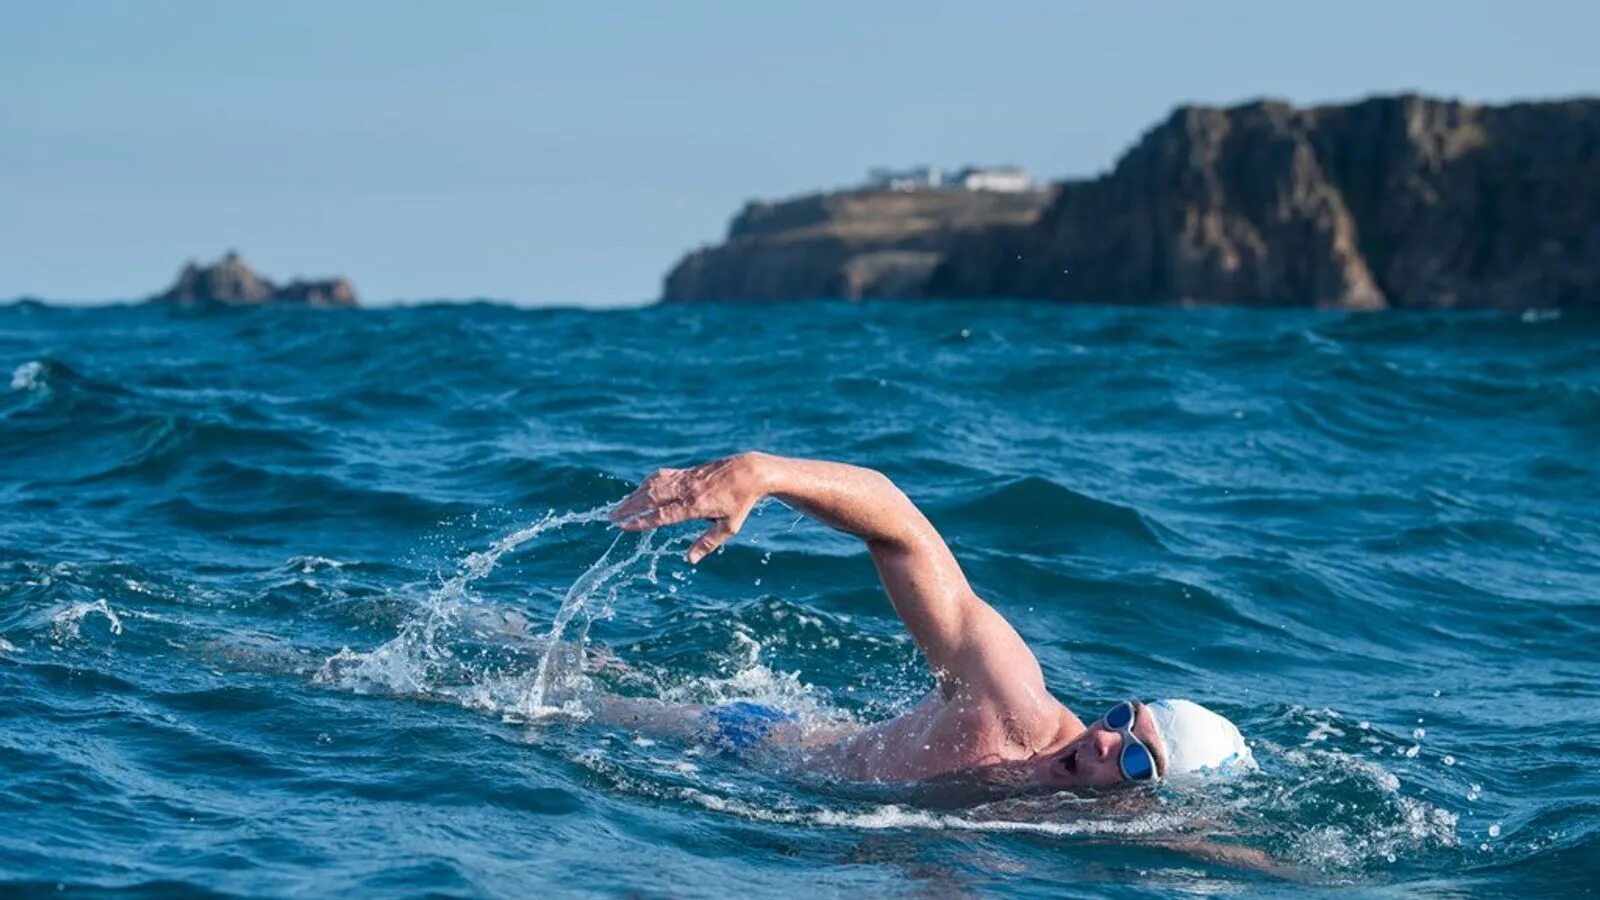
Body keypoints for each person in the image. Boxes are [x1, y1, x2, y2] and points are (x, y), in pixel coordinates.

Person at [604, 451, 1253, 787]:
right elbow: (901, 532)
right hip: (750, 745)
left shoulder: (1075, 830)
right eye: (1121, 718)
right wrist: (763, 473)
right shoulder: (1011, 705)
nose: (1107, 740)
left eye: (1139, 762)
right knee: (565, 703)